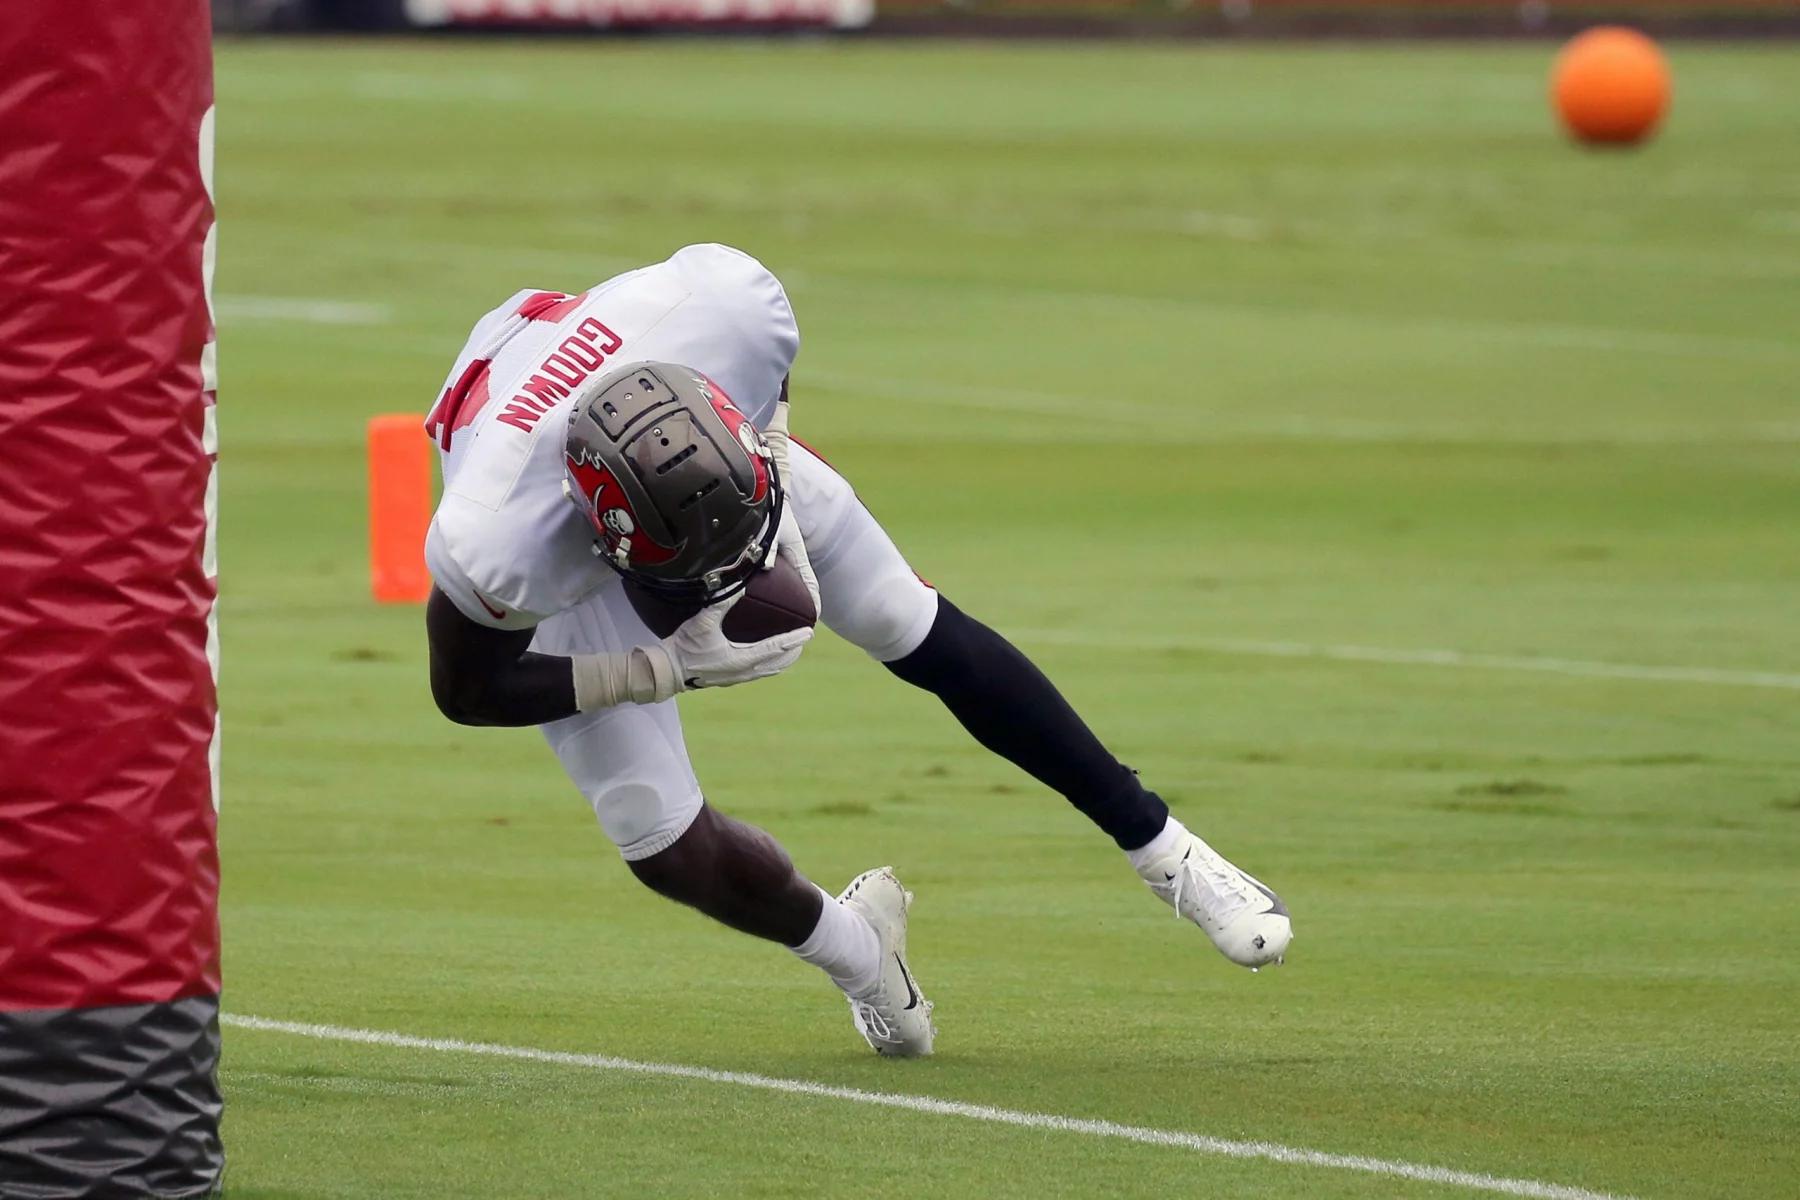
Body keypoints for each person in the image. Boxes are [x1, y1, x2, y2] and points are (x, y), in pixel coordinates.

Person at [422, 243, 1291, 1058]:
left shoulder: (730, 318)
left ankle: (1167, 851)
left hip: (717, 462)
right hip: (564, 499)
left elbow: (771, 363)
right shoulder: (501, 541)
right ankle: (860, 955)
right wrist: (659, 667)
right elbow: (465, 690)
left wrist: (772, 471)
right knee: (662, 843)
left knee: (911, 623)